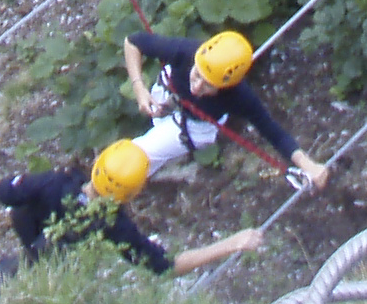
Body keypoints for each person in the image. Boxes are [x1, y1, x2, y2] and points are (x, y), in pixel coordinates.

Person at [0, 140, 267, 278]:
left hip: (31, 235)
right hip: (60, 264)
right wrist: (232, 243)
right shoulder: (115, 226)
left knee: (26, 229)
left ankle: (11, 269)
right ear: (131, 195)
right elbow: (167, 267)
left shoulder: (52, 183)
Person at [121, 27, 330, 190]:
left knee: (138, 156)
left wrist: (308, 165)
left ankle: (114, 190)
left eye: (208, 85)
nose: (197, 87)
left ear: (227, 86)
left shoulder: (239, 97)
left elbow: (274, 133)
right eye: (196, 75)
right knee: (151, 151)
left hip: (193, 125)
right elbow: (133, 42)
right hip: (168, 93)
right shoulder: (184, 52)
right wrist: (139, 89)